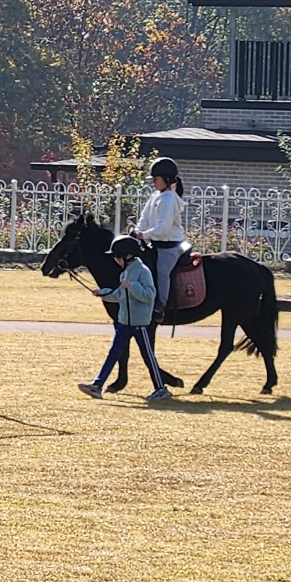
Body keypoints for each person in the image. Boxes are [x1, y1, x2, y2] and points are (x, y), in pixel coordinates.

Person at [78, 236, 171, 402]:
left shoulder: (143, 271)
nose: (115, 260)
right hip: (124, 321)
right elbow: (119, 295)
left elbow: (150, 295)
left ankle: (161, 388)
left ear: (127, 256)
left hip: (139, 323)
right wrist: (102, 293)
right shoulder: (125, 273)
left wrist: (133, 286)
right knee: (114, 353)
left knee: (148, 356)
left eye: (117, 256)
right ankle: (97, 385)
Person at [132, 156, 186, 323]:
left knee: (162, 271)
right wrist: (137, 230)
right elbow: (144, 217)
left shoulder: (169, 199)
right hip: (155, 244)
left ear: (167, 179)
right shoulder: (156, 196)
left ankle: (160, 307)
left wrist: (143, 235)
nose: (153, 182)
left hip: (169, 247)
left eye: (155, 179)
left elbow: (163, 230)